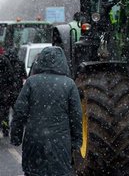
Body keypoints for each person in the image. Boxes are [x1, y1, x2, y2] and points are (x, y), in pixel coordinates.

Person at [10, 46, 82, 176]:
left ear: (41, 61)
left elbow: (19, 112)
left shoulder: (31, 82)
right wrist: (77, 141)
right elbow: (76, 116)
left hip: (34, 141)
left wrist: (16, 136)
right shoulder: (69, 84)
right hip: (60, 143)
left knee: (34, 172)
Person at [0, 53, 14, 137]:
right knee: (4, 112)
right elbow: (11, 74)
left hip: (3, 90)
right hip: (3, 91)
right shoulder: (4, 60)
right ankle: (5, 129)